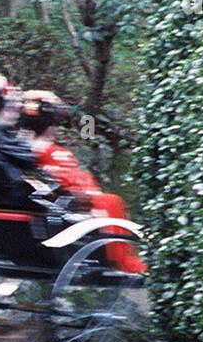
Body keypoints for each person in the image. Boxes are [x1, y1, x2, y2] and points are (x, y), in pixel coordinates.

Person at [14, 89, 145, 274]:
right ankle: (122, 262)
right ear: (53, 125)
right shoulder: (55, 154)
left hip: (37, 215)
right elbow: (79, 188)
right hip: (64, 213)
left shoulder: (18, 150)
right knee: (110, 201)